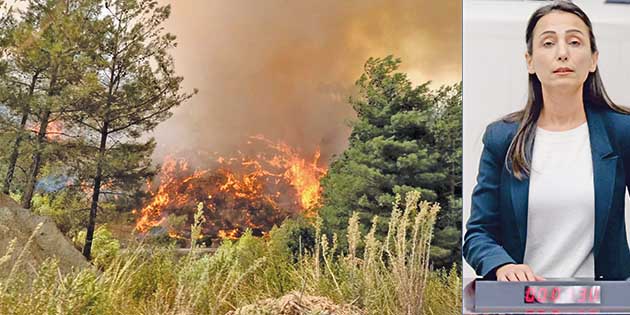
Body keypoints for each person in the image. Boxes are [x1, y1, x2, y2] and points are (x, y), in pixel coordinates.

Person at [463, 0, 630, 282]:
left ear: (593, 59)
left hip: (601, 303)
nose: (562, 53)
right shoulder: (502, 138)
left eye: (575, 42)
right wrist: (503, 266)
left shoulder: (620, 131)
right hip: (523, 302)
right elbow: (479, 233)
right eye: (548, 43)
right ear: (530, 61)